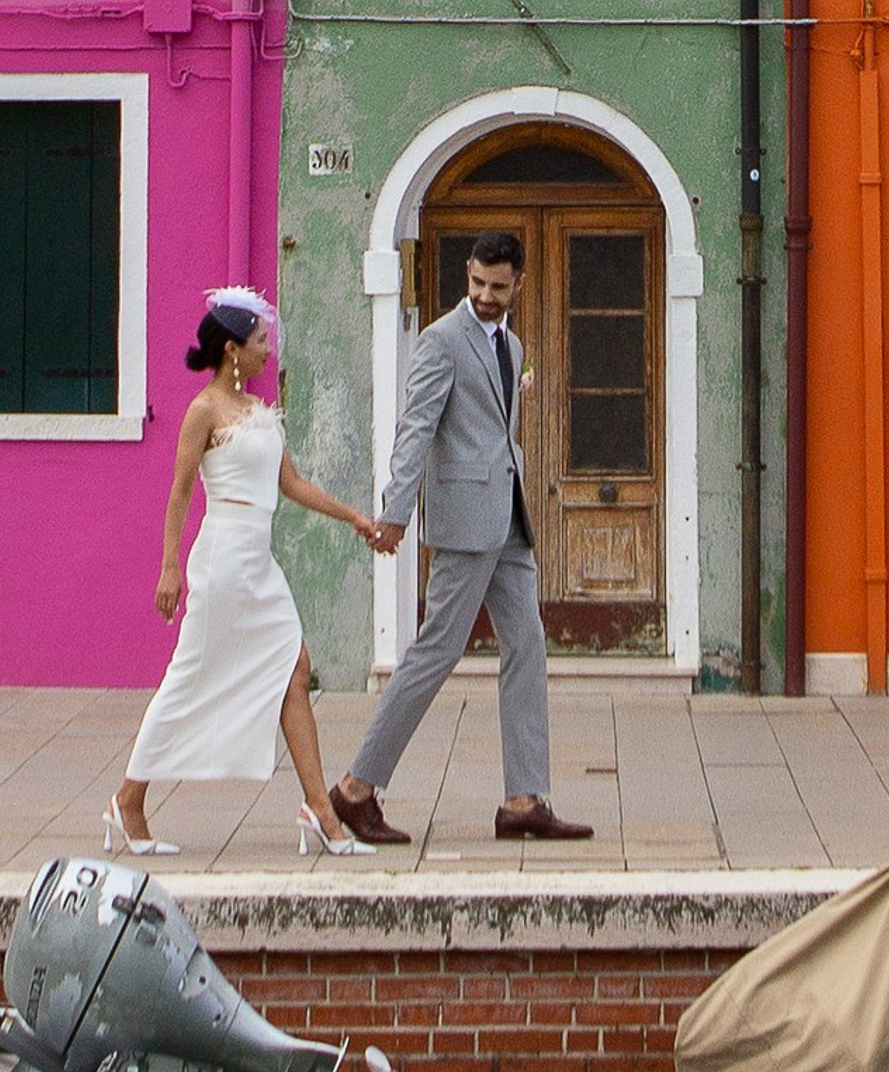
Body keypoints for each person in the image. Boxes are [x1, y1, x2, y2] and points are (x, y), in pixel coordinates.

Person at [110, 286, 399, 861]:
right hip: (221, 559)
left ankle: (319, 808)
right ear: (232, 348)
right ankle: (129, 799)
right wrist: (170, 567)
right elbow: (181, 490)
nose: (271, 350)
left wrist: (356, 519)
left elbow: (291, 484)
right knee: (188, 676)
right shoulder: (203, 410)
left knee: (294, 667)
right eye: (262, 341)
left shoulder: (258, 411)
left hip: (259, 562)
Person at [328, 227, 593, 847]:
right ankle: (356, 788)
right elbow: (415, 429)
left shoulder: (513, 342)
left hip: (508, 519)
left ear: (518, 284)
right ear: (467, 275)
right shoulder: (441, 342)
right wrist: (395, 512)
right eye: (477, 283)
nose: (485, 296)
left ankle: (524, 799)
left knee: (526, 646)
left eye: (498, 287)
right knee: (436, 651)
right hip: (464, 523)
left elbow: (497, 431)